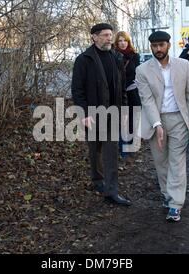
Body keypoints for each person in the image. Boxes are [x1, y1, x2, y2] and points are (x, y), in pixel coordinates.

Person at [135, 31, 189, 222]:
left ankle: (175, 204)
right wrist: (157, 124)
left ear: (169, 45)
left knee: (177, 161)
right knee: (161, 162)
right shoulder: (142, 70)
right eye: (154, 46)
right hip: (156, 120)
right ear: (151, 47)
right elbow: (146, 100)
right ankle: (167, 194)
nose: (158, 49)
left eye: (162, 45)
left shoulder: (183, 65)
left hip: (179, 119)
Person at [71, 23, 131, 206]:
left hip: (112, 113)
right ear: (94, 37)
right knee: (95, 150)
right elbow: (77, 89)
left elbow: (121, 87)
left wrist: (124, 110)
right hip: (93, 114)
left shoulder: (115, 57)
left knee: (111, 152)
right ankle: (97, 179)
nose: (109, 38)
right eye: (105, 35)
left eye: (110, 35)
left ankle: (111, 191)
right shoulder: (84, 59)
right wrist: (84, 113)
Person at [114, 31, 141, 159]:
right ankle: (122, 149)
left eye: (124, 40)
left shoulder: (134, 56)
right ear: (116, 43)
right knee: (121, 121)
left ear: (128, 42)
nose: (122, 43)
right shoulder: (113, 55)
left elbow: (135, 74)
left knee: (133, 120)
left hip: (131, 92)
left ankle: (130, 145)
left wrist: (123, 85)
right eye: (120, 41)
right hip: (118, 94)